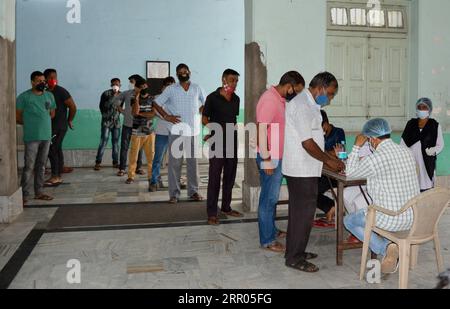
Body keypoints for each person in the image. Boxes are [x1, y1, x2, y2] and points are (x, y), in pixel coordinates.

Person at [282, 72, 344, 273]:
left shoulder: (310, 105)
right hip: (301, 169)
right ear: (321, 88)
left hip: (307, 166)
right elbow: (307, 143)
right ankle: (295, 257)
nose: (330, 99)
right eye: (331, 94)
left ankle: (294, 251)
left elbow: (314, 140)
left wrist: (330, 157)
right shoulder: (302, 105)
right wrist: (328, 161)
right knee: (303, 215)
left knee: (299, 214)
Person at [344, 118, 420, 274]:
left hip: (389, 219)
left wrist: (357, 146)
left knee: (349, 221)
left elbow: (350, 174)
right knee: (376, 211)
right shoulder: (406, 152)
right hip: (413, 217)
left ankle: (384, 248)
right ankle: (391, 247)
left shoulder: (375, 158)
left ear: (372, 139)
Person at [256, 71, 305, 252]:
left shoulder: (279, 99)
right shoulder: (269, 100)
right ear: (289, 86)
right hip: (271, 158)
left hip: (277, 156)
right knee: (268, 200)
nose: (296, 95)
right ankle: (267, 240)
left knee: (271, 198)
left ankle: (271, 230)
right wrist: (267, 159)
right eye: (296, 91)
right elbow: (261, 129)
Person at [153, 64, 205, 204]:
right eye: (180, 72)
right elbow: (156, 103)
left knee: (192, 163)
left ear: (189, 72)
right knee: (175, 164)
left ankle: (193, 192)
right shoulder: (171, 89)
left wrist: (198, 112)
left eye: (185, 71)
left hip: (193, 131)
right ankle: (174, 194)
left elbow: (206, 102)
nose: (183, 74)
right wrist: (166, 116)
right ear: (177, 74)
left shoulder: (197, 87)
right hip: (176, 131)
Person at [202, 69, 244, 225]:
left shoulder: (236, 99)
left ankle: (226, 207)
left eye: (236, 81)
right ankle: (212, 213)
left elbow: (232, 121)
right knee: (214, 178)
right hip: (217, 142)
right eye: (232, 80)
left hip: (232, 142)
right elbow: (204, 119)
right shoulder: (212, 98)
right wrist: (215, 130)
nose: (234, 83)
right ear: (223, 80)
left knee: (230, 177)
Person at [16, 71, 57, 203]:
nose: (42, 83)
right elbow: (17, 116)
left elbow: (52, 113)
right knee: (29, 167)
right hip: (32, 137)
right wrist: (31, 123)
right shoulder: (24, 97)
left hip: (46, 136)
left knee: (42, 166)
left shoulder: (49, 95)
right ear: (32, 82)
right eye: (39, 81)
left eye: (43, 80)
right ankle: (24, 195)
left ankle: (39, 192)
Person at [401, 98, 445, 192]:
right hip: (411, 159)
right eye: (419, 107)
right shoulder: (411, 124)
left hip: (427, 159)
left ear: (429, 109)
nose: (421, 110)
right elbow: (403, 143)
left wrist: (433, 150)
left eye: (424, 107)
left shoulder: (435, 125)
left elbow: (440, 144)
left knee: (426, 184)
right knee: (412, 183)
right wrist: (405, 156)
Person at [43, 69, 77, 186]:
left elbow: (72, 107)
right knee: (56, 148)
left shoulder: (61, 91)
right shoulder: (44, 92)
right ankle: (60, 167)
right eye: (51, 77)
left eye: (55, 77)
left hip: (60, 126)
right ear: (45, 79)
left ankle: (56, 176)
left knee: (52, 150)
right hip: (48, 126)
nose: (54, 79)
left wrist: (69, 120)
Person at [313, 110, 346, 228]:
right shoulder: (316, 134)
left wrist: (322, 153)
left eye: (321, 126)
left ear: (326, 123)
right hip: (322, 172)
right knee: (309, 190)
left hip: (335, 174)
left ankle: (332, 209)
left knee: (312, 191)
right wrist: (328, 154)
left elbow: (340, 152)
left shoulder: (338, 132)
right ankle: (331, 207)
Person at [114, 75, 145, 177]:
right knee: (124, 147)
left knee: (138, 148)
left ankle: (138, 167)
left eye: (132, 81)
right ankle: (122, 169)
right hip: (127, 124)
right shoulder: (127, 93)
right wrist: (122, 111)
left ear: (136, 83)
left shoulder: (143, 94)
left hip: (139, 125)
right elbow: (116, 101)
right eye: (130, 82)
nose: (130, 83)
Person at [126, 84, 156, 189]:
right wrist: (137, 97)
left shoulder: (152, 98)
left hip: (149, 131)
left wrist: (141, 114)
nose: (143, 88)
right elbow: (134, 112)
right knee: (133, 154)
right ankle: (131, 176)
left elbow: (153, 114)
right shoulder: (133, 98)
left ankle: (151, 176)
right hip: (137, 131)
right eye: (141, 87)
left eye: (145, 86)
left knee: (151, 155)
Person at [149, 76, 176, 191]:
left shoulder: (178, 99)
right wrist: (167, 117)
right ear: (163, 87)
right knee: (158, 158)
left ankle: (176, 181)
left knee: (176, 160)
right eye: (168, 85)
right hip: (162, 132)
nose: (170, 88)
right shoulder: (157, 98)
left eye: (172, 85)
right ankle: (154, 181)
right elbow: (156, 112)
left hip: (176, 132)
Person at [94, 78, 122, 171]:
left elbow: (120, 108)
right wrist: (113, 97)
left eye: (117, 84)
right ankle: (98, 162)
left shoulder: (122, 95)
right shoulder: (105, 94)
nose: (115, 86)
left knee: (115, 143)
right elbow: (102, 107)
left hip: (116, 123)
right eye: (113, 84)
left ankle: (115, 162)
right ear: (111, 85)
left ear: (120, 85)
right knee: (103, 141)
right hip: (106, 122)